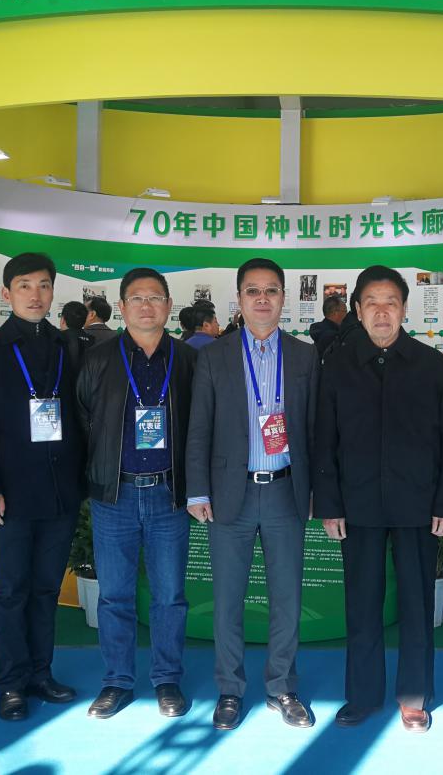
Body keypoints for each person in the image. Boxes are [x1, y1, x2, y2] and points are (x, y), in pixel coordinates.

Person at [314, 266, 443, 732]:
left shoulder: (430, 364)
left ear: (404, 309)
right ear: (357, 311)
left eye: (391, 302)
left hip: (418, 505)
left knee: (417, 604)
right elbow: (324, 440)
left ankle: (414, 697)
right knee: (362, 604)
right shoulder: (337, 365)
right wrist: (329, 505)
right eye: (372, 303)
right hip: (357, 505)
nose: (382, 312)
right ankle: (362, 695)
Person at [186, 257, 319, 731]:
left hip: (285, 492)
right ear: (239, 299)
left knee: (287, 598)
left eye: (271, 290)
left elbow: (315, 429)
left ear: (284, 298)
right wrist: (197, 490)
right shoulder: (214, 356)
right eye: (253, 291)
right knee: (228, 599)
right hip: (230, 494)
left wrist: (316, 490)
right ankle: (229, 689)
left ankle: (282, 687)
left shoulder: (305, 356)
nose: (263, 299)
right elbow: (199, 428)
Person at [0, 252, 86, 721]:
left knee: (46, 587)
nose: (36, 295)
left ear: (53, 291)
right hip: (9, 493)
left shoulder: (68, 347)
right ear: (6, 293)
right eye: (24, 286)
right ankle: (11, 682)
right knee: (10, 588)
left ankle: (40, 672)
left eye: (44, 285)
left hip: (60, 490)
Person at [77, 268, 198, 720]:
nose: (146, 306)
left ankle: (167, 679)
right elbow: (82, 420)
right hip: (116, 496)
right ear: (122, 307)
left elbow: (202, 427)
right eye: (137, 298)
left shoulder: (188, 360)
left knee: (170, 596)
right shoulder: (98, 359)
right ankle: (117, 681)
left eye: (155, 298)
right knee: (114, 596)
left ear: (169, 306)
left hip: (169, 496)